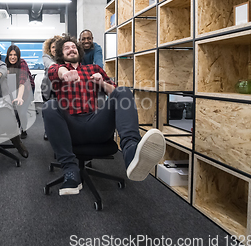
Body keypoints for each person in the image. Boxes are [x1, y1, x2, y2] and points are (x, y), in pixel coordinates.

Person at [42, 34, 166, 195]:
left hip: (96, 124)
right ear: (60, 54)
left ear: (79, 50)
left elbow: (117, 95)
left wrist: (101, 83)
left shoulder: (93, 69)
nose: (71, 49)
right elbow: (55, 70)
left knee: (123, 91)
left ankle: (131, 153)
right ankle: (71, 171)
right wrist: (64, 72)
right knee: (50, 105)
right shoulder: (56, 70)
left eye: (73, 47)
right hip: (69, 127)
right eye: (66, 48)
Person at [5, 45, 35, 139]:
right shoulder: (5, 64)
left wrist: (19, 97)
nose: (12, 57)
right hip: (13, 88)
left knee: (21, 112)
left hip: (26, 89)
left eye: (15, 55)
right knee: (13, 111)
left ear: (18, 56)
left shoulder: (22, 63)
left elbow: (22, 81)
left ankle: (23, 129)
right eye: (10, 55)